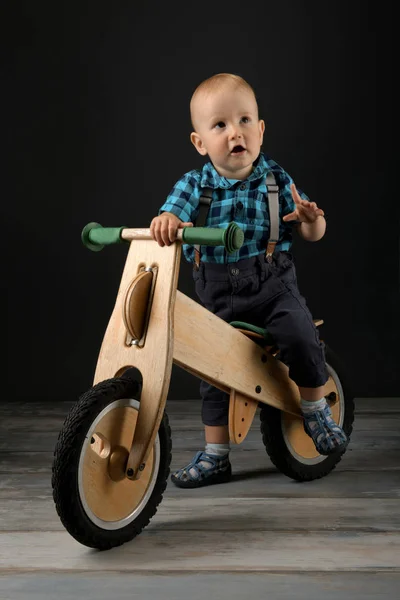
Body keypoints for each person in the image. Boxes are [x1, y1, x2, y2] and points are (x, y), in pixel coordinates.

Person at [150, 73, 348, 488]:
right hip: (217, 294)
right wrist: (168, 220)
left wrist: (313, 221)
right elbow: (172, 212)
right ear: (200, 142)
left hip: (272, 285)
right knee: (213, 373)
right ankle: (216, 455)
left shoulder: (277, 180)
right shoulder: (194, 185)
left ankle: (314, 406)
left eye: (244, 121)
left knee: (298, 333)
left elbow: (311, 230)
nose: (234, 132)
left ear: (259, 131)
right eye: (220, 125)